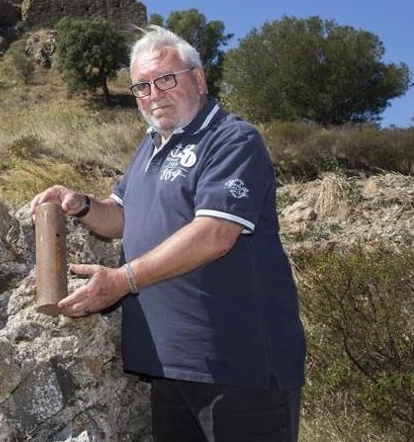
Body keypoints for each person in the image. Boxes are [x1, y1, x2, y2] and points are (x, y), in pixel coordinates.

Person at [30, 26, 305, 442]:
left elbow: (215, 233)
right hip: (169, 367)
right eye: (141, 86)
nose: (153, 94)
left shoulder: (232, 139)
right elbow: (120, 217)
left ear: (198, 79)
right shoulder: (151, 148)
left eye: (165, 79)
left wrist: (123, 281)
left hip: (238, 368)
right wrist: (81, 203)